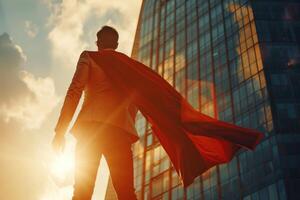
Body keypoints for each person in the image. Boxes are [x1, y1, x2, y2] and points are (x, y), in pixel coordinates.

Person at [52, 26, 139, 200]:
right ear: (116, 44)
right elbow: (135, 101)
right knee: (126, 192)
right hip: (118, 132)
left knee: (83, 191)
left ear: (98, 43)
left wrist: (60, 129)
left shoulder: (89, 57)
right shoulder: (126, 66)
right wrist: (126, 121)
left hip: (90, 130)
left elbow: (74, 91)